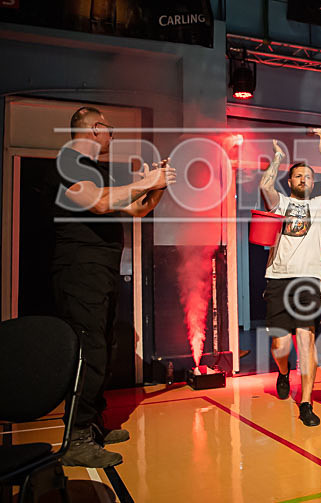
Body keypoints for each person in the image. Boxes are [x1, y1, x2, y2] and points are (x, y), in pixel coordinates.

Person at [51, 106, 176, 467]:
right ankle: (76, 438)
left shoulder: (100, 171)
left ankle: (93, 426)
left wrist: (159, 185)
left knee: (104, 348)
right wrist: (144, 182)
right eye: (109, 129)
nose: (113, 135)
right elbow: (101, 203)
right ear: (93, 129)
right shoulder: (68, 162)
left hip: (102, 271)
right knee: (89, 353)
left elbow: (137, 209)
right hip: (79, 271)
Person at [259, 129, 321, 427]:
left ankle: (306, 402)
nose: (304, 180)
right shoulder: (280, 204)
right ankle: (283, 372)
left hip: (308, 280)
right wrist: (278, 158)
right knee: (281, 346)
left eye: (308, 177)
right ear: (291, 180)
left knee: (306, 343)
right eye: (298, 176)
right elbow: (265, 185)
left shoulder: (320, 206)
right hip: (278, 278)